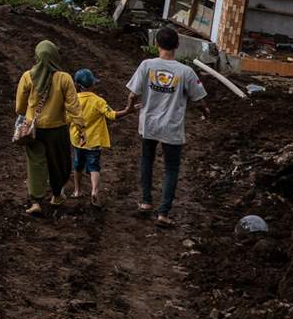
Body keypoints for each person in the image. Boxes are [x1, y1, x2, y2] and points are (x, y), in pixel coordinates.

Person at [126, 27, 210, 227]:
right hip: (172, 127)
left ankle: (146, 202)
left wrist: (129, 108)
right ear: (177, 45)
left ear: (156, 44)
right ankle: (163, 213)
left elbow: (132, 93)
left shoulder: (147, 65)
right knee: (171, 168)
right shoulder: (186, 71)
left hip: (149, 124)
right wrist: (205, 112)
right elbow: (199, 98)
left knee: (147, 160)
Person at [14, 39, 81, 215]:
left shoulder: (27, 77)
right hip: (57, 129)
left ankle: (36, 202)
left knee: (36, 164)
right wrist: (81, 127)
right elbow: (74, 107)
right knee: (59, 163)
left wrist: (29, 113)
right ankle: (57, 195)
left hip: (32, 129)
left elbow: (19, 108)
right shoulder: (64, 78)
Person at [66, 69, 128, 207]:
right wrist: (127, 110)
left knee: (77, 165)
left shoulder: (73, 101)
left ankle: (77, 190)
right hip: (94, 141)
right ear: (92, 85)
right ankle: (94, 191)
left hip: (77, 140)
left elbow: (66, 119)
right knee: (94, 167)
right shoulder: (98, 101)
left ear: (77, 85)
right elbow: (112, 115)